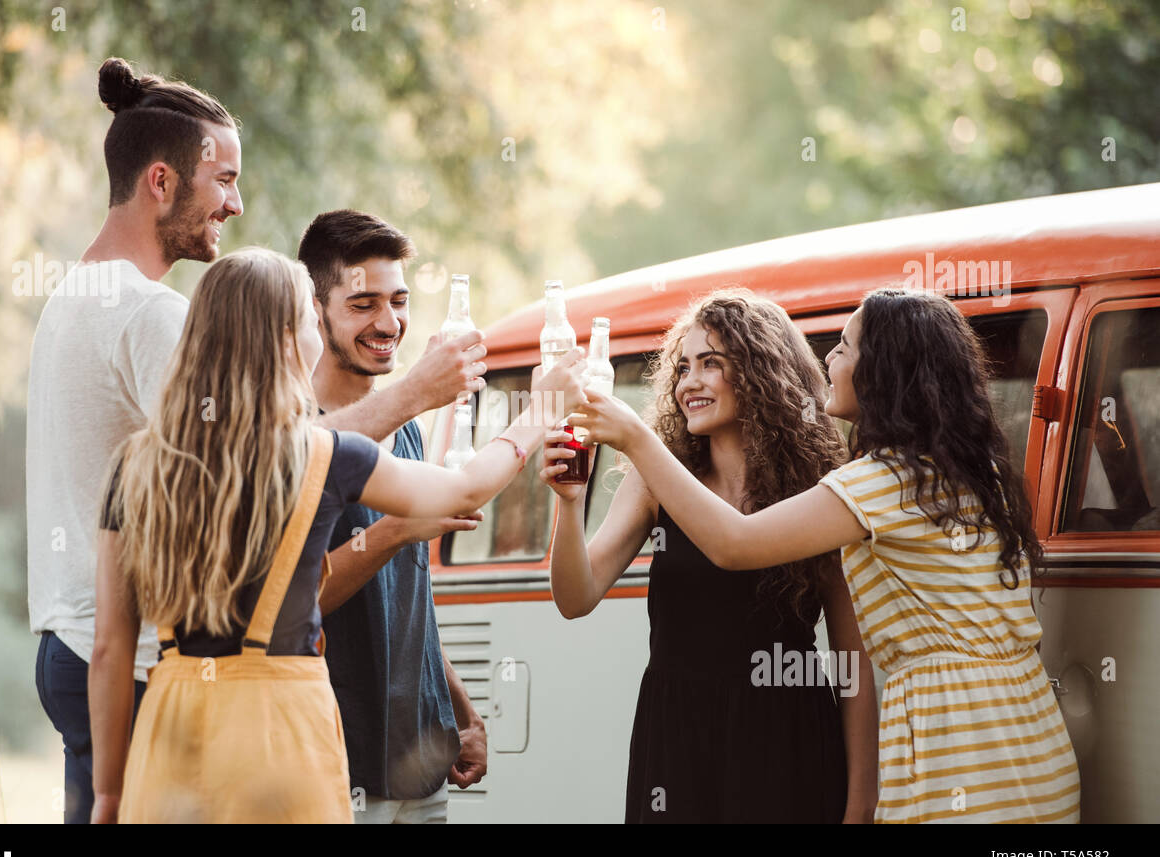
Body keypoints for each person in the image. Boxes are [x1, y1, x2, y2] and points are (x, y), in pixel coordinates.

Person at [88, 247, 586, 823]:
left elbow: (110, 649)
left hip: (168, 731)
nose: (316, 339)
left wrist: (107, 795)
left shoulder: (136, 465)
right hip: (280, 730)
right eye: (308, 320)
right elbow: (465, 491)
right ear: (283, 338)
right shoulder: (321, 454)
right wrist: (543, 407)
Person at [572, 288, 1081, 823]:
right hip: (1029, 738)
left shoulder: (878, 481)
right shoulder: (974, 473)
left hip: (955, 746)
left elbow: (734, 544)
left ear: (884, 370)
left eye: (843, 346)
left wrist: (634, 437)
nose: (828, 360)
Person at [544, 291, 879, 823]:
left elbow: (850, 659)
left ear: (760, 375)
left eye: (711, 364)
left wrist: (861, 800)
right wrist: (570, 503)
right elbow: (574, 597)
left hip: (785, 733)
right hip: (678, 736)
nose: (689, 383)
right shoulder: (654, 477)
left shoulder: (820, 490)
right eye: (682, 367)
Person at [25, 57, 242, 823]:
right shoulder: (149, 314)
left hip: (67, 644)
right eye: (223, 180)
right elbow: (239, 469)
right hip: (128, 657)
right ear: (161, 180)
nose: (236, 204)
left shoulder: (71, 295)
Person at [297, 210, 490, 823]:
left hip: (421, 756)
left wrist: (459, 709)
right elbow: (294, 601)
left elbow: (411, 593)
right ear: (313, 306)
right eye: (363, 304)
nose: (389, 324)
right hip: (338, 759)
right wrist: (398, 529)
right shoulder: (292, 431)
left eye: (399, 301)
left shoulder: (405, 428)